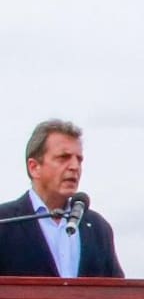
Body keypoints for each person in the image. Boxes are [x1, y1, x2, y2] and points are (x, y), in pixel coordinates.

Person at [0, 118, 122, 277]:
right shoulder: (5, 222)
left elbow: (118, 294)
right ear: (34, 167)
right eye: (63, 158)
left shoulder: (97, 228)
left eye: (79, 159)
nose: (74, 167)